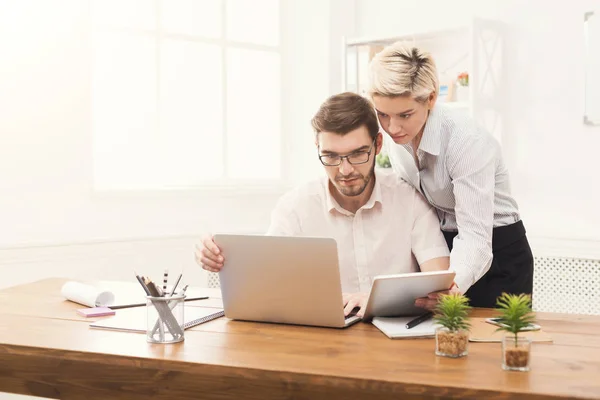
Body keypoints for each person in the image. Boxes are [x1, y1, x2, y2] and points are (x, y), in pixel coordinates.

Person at [196, 92, 450, 317]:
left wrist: (375, 301)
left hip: (398, 339)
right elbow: (266, 285)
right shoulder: (295, 208)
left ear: (378, 145)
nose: (345, 170)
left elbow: (441, 289)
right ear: (317, 148)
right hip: (320, 341)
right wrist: (214, 256)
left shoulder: (409, 200)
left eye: (358, 153)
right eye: (330, 156)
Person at [367, 42, 534, 308]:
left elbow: (477, 239)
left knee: (492, 344)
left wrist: (451, 286)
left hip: (497, 249)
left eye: (404, 114)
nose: (392, 127)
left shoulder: (466, 142)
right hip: (446, 244)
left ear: (431, 98)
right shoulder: (398, 137)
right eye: (383, 114)